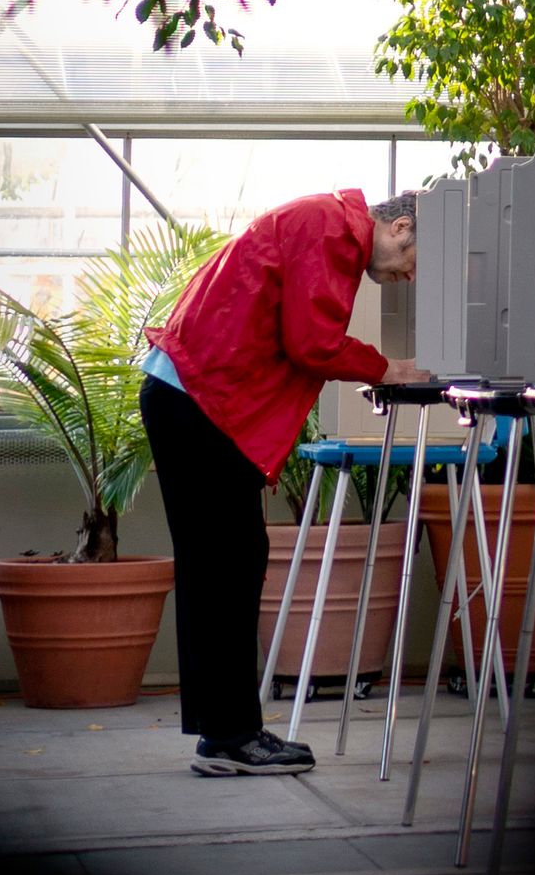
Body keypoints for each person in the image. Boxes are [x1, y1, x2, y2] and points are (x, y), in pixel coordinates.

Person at [142, 186, 424, 775]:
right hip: (199, 399)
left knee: (230, 562)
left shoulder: (329, 224)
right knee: (224, 566)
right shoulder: (331, 229)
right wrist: (386, 368)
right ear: (400, 227)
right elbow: (311, 342)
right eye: (413, 262)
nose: (409, 277)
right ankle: (229, 737)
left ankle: (227, 733)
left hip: (197, 397)